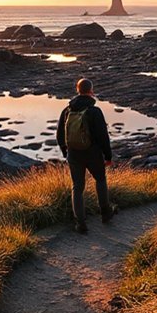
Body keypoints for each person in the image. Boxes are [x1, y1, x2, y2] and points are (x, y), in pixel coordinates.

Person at [56, 77, 117, 233]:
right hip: (93, 154)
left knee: (77, 188)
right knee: (100, 180)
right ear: (91, 91)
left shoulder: (67, 110)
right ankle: (105, 213)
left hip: (74, 155)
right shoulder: (94, 111)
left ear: (77, 90)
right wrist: (108, 156)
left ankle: (80, 223)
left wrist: (66, 152)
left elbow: (59, 135)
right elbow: (103, 136)